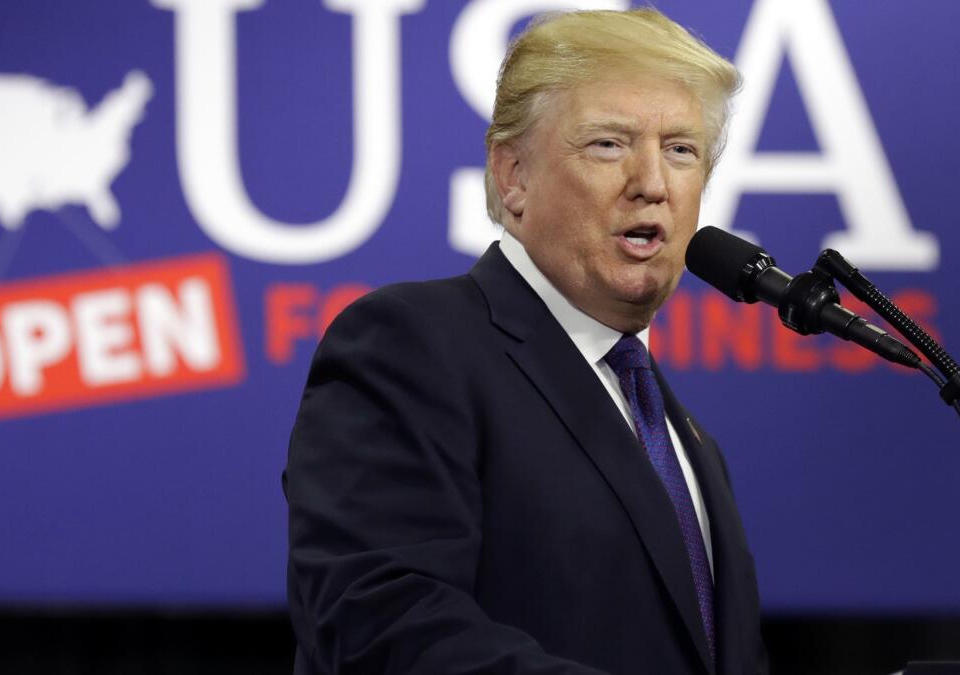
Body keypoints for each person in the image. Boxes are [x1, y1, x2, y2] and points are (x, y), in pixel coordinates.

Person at [284, 8, 766, 674]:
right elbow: (381, 625)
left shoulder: (688, 442)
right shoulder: (411, 347)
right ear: (513, 176)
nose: (653, 183)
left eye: (681, 149)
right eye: (609, 143)